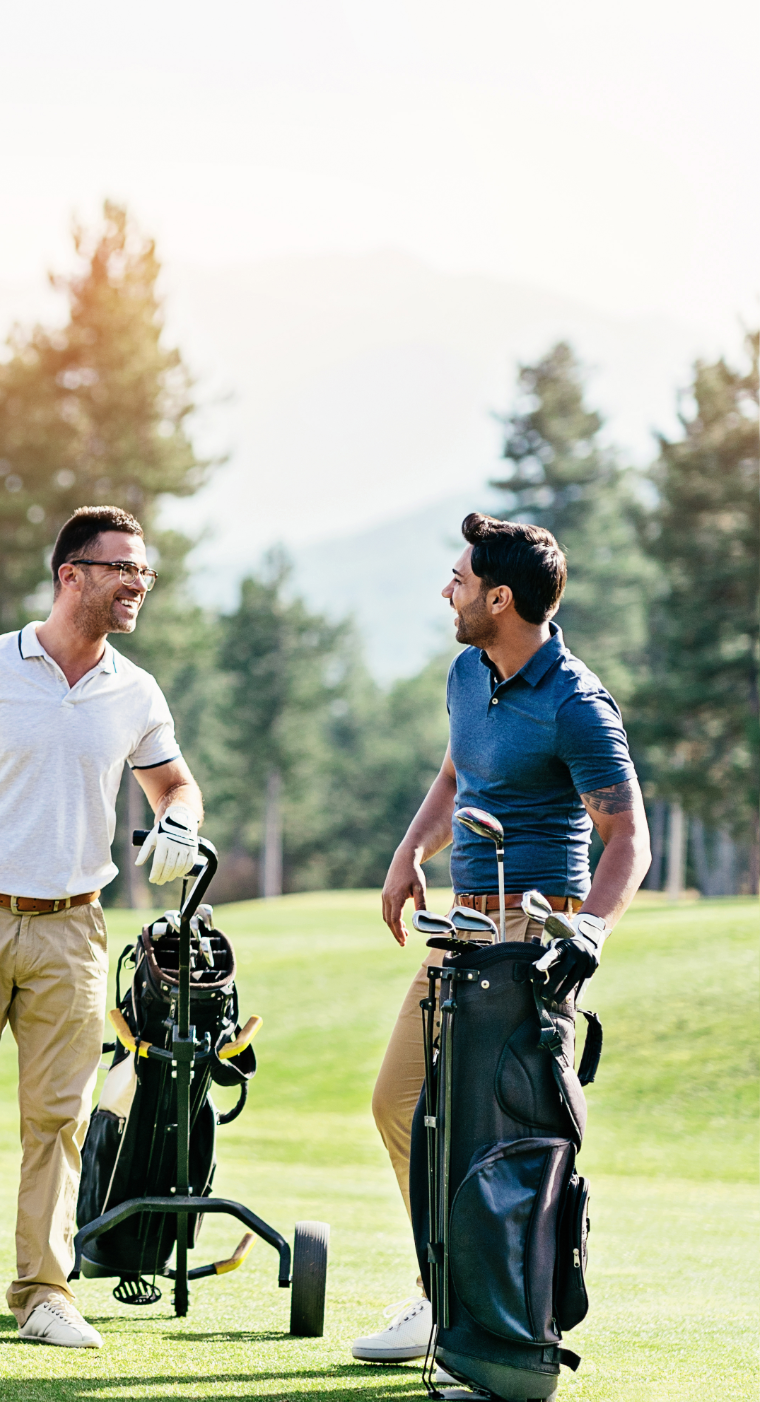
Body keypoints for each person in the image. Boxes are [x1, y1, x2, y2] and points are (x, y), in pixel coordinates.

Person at [0, 505, 205, 1349]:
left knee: (57, 1119)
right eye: (123, 569)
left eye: (147, 573)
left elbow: (175, 783)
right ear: (73, 575)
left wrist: (178, 819)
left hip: (73, 928)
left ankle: (43, 1292)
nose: (139, 584)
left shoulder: (134, 689)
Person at [351, 512, 650, 1366]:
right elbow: (456, 775)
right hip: (464, 922)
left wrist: (588, 929)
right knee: (401, 1101)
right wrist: (409, 855)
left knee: (497, 1126)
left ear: (500, 597)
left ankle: (494, 1311)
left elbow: (629, 838)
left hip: (536, 929)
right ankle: (445, 1291)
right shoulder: (465, 672)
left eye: (459, 580)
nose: (447, 590)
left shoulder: (577, 704)